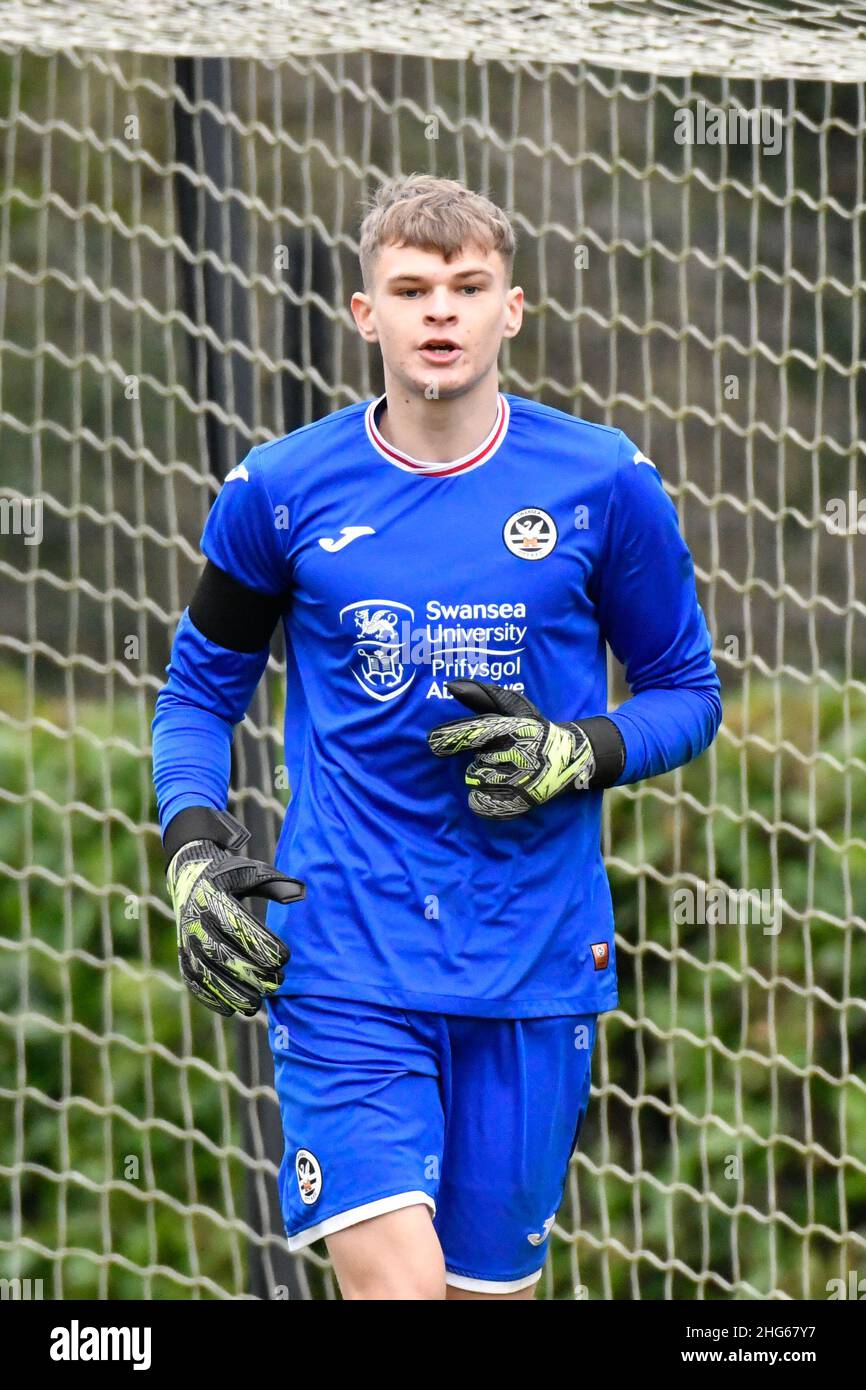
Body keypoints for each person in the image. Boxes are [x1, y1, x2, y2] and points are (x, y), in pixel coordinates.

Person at [152, 173, 722, 1301]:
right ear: (365, 314)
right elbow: (195, 692)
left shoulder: (602, 483)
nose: (440, 312)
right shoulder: (278, 491)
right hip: (347, 958)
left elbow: (683, 689)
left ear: (511, 308)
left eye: (467, 285)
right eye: (410, 288)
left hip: (532, 959)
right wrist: (192, 845)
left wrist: (579, 749)